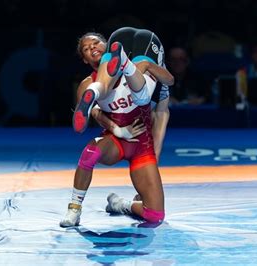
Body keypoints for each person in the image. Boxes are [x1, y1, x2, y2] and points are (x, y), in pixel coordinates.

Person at [61, 28, 173, 227]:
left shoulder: (141, 63)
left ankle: (121, 205)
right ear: (85, 60)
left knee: (155, 215)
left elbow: (169, 82)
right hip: (117, 139)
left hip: (142, 145)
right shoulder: (86, 83)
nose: (91, 48)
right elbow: (90, 118)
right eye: (86, 49)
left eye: (95, 43)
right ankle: (74, 209)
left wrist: (148, 64)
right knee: (90, 152)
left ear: (107, 45)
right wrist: (117, 129)